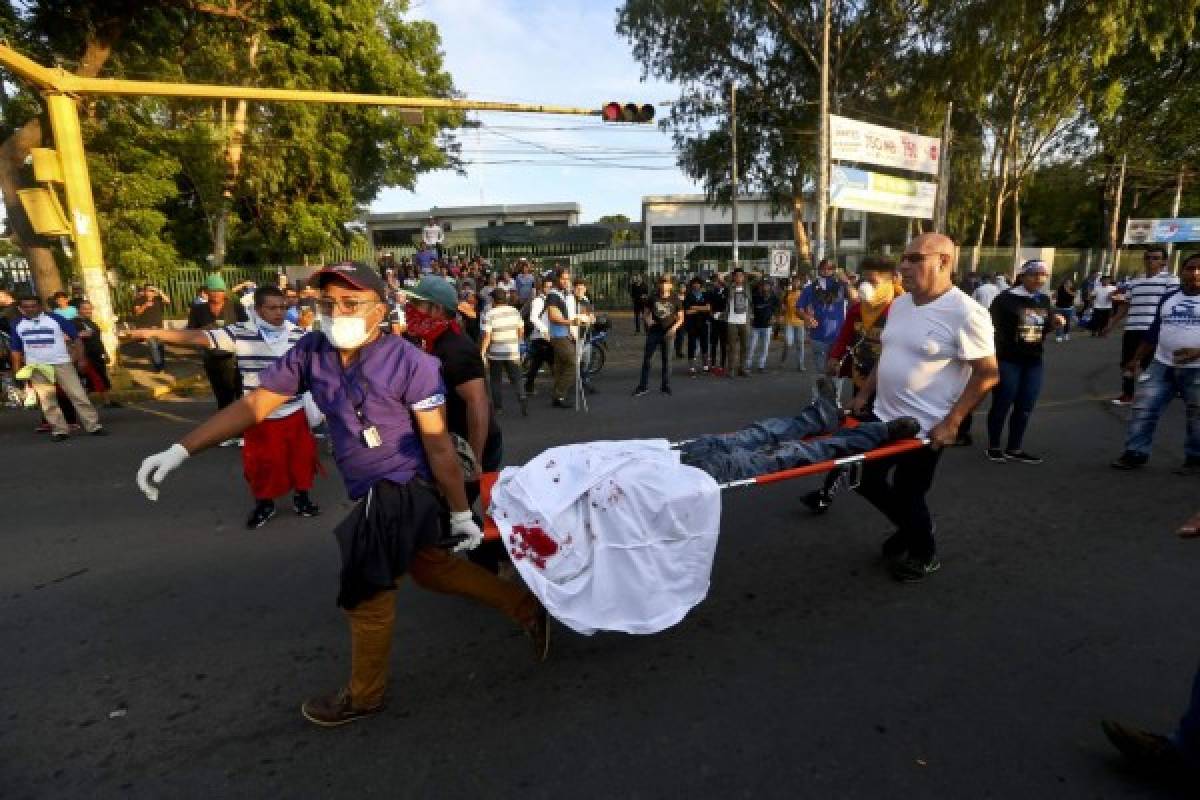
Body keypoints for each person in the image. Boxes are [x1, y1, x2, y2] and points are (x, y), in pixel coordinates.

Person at [135, 261, 548, 728]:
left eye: (351, 303)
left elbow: (437, 444)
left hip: (400, 487)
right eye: (327, 303)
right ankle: (525, 606)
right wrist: (180, 448)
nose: (337, 312)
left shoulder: (412, 362)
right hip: (375, 487)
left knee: (366, 594)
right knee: (431, 569)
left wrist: (460, 512)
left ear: (379, 308)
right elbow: (255, 405)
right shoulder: (312, 351)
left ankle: (364, 695)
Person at [849, 233, 998, 582]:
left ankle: (923, 552)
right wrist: (863, 394)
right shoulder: (901, 304)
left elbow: (987, 375)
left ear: (943, 262)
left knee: (908, 491)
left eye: (915, 258)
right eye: (904, 257)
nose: (904, 265)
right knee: (865, 481)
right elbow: (887, 353)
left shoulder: (967, 313)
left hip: (925, 427)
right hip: (882, 416)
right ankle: (910, 527)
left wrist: (953, 423)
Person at [127, 286, 320, 528]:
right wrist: (152, 332)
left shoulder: (298, 335)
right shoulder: (240, 333)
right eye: (272, 308)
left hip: (294, 411)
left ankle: (302, 498)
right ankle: (265, 504)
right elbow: (199, 337)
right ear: (258, 309)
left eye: (282, 307)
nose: (279, 313)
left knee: (300, 459)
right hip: (255, 415)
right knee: (260, 464)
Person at [803, 258, 903, 513]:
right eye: (864, 279)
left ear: (893, 279)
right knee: (854, 436)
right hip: (861, 383)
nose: (866, 286)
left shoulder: (902, 309)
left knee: (867, 440)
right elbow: (847, 333)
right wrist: (836, 358)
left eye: (873, 280)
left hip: (891, 391)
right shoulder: (860, 308)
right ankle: (827, 491)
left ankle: (904, 508)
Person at [1110, 253, 1200, 473]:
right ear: (1182, 271)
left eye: (1199, 269)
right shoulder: (1169, 297)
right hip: (1162, 364)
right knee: (1143, 408)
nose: (1195, 273)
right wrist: (1136, 359)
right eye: (1190, 268)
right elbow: (1154, 331)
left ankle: (1195, 459)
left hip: (1196, 369)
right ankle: (1135, 453)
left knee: (1197, 415)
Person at [984, 259, 1064, 464]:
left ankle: (1014, 448)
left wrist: (1055, 323)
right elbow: (989, 328)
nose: (1039, 279)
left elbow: (1041, 330)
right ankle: (994, 446)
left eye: (1043, 275)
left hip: (1033, 360)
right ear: (1023, 276)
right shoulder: (1005, 299)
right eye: (1034, 274)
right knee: (1002, 403)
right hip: (1008, 359)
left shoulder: (1043, 300)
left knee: (1026, 405)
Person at [8, 295, 107, 441]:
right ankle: (59, 430)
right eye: (26, 306)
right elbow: (15, 349)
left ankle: (93, 425)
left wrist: (81, 359)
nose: (29, 309)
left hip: (61, 363)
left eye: (33, 306)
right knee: (47, 400)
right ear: (21, 308)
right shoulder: (16, 324)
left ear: (40, 306)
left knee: (77, 394)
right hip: (36, 366)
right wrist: (16, 370)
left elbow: (76, 339)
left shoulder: (55, 318)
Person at [1105, 247, 1181, 405]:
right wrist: (1111, 323)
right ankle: (1127, 394)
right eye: (1148, 257)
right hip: (1132, 328)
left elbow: (1173, 304)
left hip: (1154, 329)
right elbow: (1125, 305)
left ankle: (1154, 394)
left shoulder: (1171, 280)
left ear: (1164, 261)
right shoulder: (1135, 281)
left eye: (1155, 258)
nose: (1151, 261)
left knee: (1151, 364)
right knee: (1127, 363)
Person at [187, 274, 248, 424]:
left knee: (238, 394)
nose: (215, 294)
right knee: (221, 395)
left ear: (225, 292)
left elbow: (246, 327)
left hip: (233, 357)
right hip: (211, 357)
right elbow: (191, 330)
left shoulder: (235, 306)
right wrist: (206, 332)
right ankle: (226, 429)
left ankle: (240, 430)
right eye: (212, 290)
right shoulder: (198, 309)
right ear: (206, 292)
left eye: (219, 290)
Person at [798, 259, 849, 397]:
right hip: (818, 337)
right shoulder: (810, 288)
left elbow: (856, 299)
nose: (826, 271)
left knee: (836, 371)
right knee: (821, 372)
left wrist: (847, 282)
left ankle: (835, 399)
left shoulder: (841, 286)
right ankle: (818, 400)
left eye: (830, 268)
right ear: (818, 269)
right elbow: (799, 308)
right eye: (823, 268)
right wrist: (807, 317)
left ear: (834, 270)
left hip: (839, 337)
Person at [479, 288, 528, 416]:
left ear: (494, 300)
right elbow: (521, 330)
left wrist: (483, 352)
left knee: (495, 380)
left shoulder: (489, 314)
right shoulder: (515, 312)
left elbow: (487, 336)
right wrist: (516, 342)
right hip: (512, 351)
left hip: (495, 353)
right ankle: (522, 397)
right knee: (517, 377)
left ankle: (498, 408)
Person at [633, 274, 681, 397]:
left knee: (667, 361)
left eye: (667, 283)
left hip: (669, 333)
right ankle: (643, 386)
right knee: (647, 360)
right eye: (662, 282)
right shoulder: (653, 297)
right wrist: (648, 321)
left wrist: (674, 329)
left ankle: (665, 386)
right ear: (659, 284)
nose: (664, 285)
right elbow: (646, 313)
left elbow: (681, 318)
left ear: (671, 285)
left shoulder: (675, 298)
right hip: (654, 332)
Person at [543, 268, 582, 408]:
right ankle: (559, 394)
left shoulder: (562, 294)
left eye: (567, 279)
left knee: (560, 366)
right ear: (556, 279)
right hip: (559, 336)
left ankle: (557, 396)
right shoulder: (553, 295)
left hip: (563, 334)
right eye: (563, 279)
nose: (566, 281)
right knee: (573, 363)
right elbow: (552, 317)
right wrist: (571, 323)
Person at [74, 301, 117, 407]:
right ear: (79, 310)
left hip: (97, 354)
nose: (88, 311)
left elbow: (98, 339)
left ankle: (107, 402)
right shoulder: (73, 322)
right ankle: (81, 405)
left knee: (101, 377)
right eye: (84, 308)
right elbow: (67, 336)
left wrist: (104, 352)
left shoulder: (91, 322)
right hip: (85, 356)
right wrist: (79, 334)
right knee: (86, 380)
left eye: (89, 308)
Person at [523, 274, 555, 395]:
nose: (549, 289)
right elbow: (533, 318)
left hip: (547, 336)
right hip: (540, 337)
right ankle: (560, 388)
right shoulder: (538, 300)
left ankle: (528, 386)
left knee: (538, 363)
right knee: (548, 362)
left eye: (551, 287)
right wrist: (544, 330)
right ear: (542, 288)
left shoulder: (551, 300)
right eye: (547, 287)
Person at [132, 284, 169, 372]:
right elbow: (137, 312)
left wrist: (159, 291)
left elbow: (168, 301)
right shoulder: (139, 300)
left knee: (160, 346)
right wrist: (145, 305)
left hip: (158, 327)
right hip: (147, 328)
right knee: (153, 346)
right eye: (149, 290)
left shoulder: (158, 299)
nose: (151, 292)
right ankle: (158, 366)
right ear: (145, 291)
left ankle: (161, 364)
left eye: (152, 290)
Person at [745, 277, 778, 373]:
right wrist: (750, 317)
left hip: (767, 326)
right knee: (752, 346)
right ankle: (747, 365)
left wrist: (774, 317)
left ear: (770, 287)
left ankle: (761, 365)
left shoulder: (773, 297)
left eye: (767, 285)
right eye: (763, 285)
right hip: (756, 325)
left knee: (765, 347)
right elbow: (750, 308)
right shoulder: (755, 296)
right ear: (760, 286)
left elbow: (777, 308)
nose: (765, 287)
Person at [682, 277, 711, 375]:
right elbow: (687, 311)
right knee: (692, 345)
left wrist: (694, 307)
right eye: (694, 283)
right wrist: (702, 308)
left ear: (700, 285)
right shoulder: (689, 296)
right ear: (692, 285)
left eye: (698, 283)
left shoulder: (705, 295)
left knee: (704, 345)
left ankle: (705, 366)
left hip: (703, 324)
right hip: (692, 325)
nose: (696, 285)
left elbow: (708, 308)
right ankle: (691, 368)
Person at [725, 268, 751, 377]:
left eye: (741, 275)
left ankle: (742, 368)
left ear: (744, 277)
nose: (739, 277)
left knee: (745, 346)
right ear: (733, 277)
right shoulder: (729, 286)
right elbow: (722, 278)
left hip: (745, 321)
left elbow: (759, 277)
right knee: (732, 347)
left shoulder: (747, 287)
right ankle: (731, 369)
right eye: (737, 275)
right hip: (732, 320)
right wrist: (730, 275)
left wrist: (748, 273)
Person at [781, 275, 807, 371]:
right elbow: (783, 306)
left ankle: (801, 364)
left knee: (800, 344)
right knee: (788, 342)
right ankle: (783, 359)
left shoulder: (803, 294)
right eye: (794, 282)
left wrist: (807, 319)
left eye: (797, 282)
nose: (795, 283)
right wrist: (782, 311)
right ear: (791, 283)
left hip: (800, 322)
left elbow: (807, 307)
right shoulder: (787, 293)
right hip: (789, 322)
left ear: (800, 283)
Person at [706, 273, 729, 375]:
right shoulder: (711, 292)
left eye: (716, 281)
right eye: (714, 281)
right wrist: (711, 314)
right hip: (714, 321)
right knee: (713, 343)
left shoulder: (727, 291)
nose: (714, 283)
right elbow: (709, 306)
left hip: (724, 321)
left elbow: (729, 306)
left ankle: (723, 365)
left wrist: (723, 314)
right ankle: (713, 365)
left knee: (723, 343)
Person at [1053, 276, 1077, 342]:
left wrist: (1067, 289)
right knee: (1059, 322)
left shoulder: (1073, 289)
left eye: (1069, 283)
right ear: (1064, 283)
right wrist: (1056, 293)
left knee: (1067, 323)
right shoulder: (1060, 288)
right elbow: (1054, 297)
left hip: (1068, 309)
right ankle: (1058, 336)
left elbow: (1074, 295)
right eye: (1067, 282)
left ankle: (1066, 334)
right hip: (1059, 308)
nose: (1068, 284)